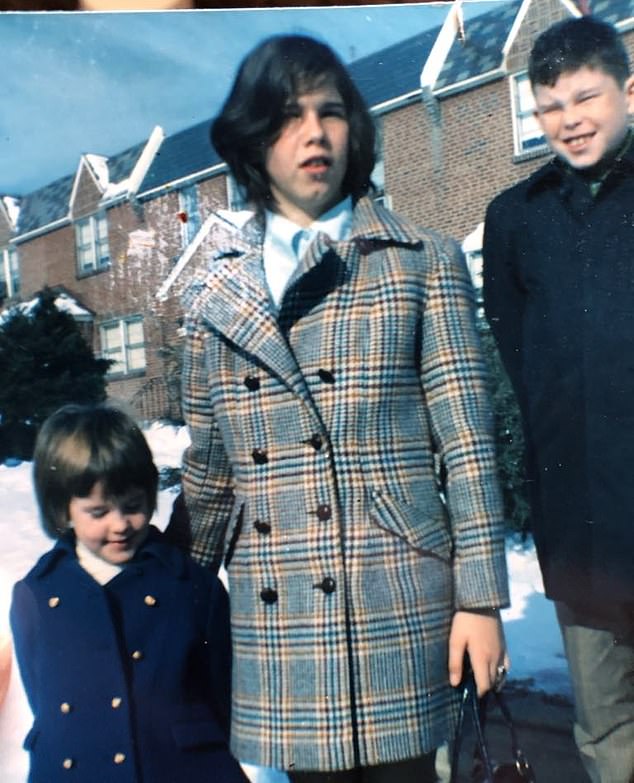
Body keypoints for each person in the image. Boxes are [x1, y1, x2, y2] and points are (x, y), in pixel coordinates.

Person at [178, 34, 509, 782]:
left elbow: (468, 443)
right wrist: (164, 589)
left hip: (399, 592)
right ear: (252, 141)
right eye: (288, 117)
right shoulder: (213, 292)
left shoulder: (420, 258)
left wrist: (482, 601)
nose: (315, 133)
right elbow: (210, 473)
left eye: (330, 112)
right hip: (282, 606)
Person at [483, 16, 634, 783]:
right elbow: (521, 355)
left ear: (629, 90)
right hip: (581, 522)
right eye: (550, 105)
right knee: (607, 725)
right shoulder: (516, 219)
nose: (570, 119)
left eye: (586, 96)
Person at [9, 403, 248, 783]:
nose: (120, 524)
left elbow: (221, 692)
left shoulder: (189, 585)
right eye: (98, 511)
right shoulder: (38, 595)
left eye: (133, 506)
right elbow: (45, 696)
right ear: (62, 508)